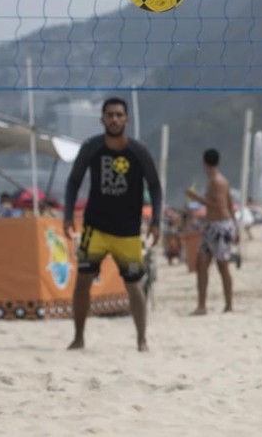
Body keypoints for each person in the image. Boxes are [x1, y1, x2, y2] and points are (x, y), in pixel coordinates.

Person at [63, 97, 162, 352]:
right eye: (110, 115)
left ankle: (142, 340)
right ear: (102, 119)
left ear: (126, 119)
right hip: (94, 228)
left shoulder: (138, 151)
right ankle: (78, 337)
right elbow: (73, 182)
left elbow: (154, 186)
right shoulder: (91, 147)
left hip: (127, 232)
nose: (114, 119)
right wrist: (66, 217)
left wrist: (156, 222)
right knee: (83, 281)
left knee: (134, 285)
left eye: (119, 115)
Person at [185, 148, 239, 315]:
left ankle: (229, 304)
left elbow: (218, 205)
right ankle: (202, 306)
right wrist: (235, 226)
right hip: (215, 226)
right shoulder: (221, 181)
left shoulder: (216, 181)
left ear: (204, 163)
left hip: (219, 226)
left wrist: (195, 197)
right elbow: (229, 204)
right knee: (202, 265)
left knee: (222, 266)